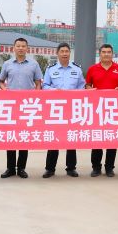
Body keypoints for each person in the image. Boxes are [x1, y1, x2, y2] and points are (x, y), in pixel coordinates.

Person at [0, 37, 43, 179]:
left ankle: (21, 168)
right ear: (14, 48)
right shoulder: (7, 64)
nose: (20, 48)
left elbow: (38, 83)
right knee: (11, 136)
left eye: (23, 46)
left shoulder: (34, 64)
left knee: (24, 136)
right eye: (18, 46)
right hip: (11, 106)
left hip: (27, 106)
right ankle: (10, 168)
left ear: (27, 48)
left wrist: (36, 95)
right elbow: (1, 81)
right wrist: (4, 89)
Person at [41, 42, 85, 178]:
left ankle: (71, 168)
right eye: (62, 51)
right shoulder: (50, 69)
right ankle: (50, 168)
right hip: (56, 108)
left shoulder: (77, 69)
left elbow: (82, 87)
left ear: (69, 53)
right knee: (54, 138)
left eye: (67, 51)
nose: (65, 54)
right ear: (57, 53)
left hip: (72, 108)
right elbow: (45, 86)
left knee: (71, 137)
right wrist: (55, 91)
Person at [85, 43, 118, 177]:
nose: (106, 54)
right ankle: (96, 167)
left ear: (112, 54)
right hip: (97, 109)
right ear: (100, 54)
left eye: (109, 52)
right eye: (104, 52)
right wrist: (90, 89)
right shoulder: (92, 69)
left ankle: (109, 167)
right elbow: (87, 85)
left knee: (112, 139)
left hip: (114, 109)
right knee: (97, 138)